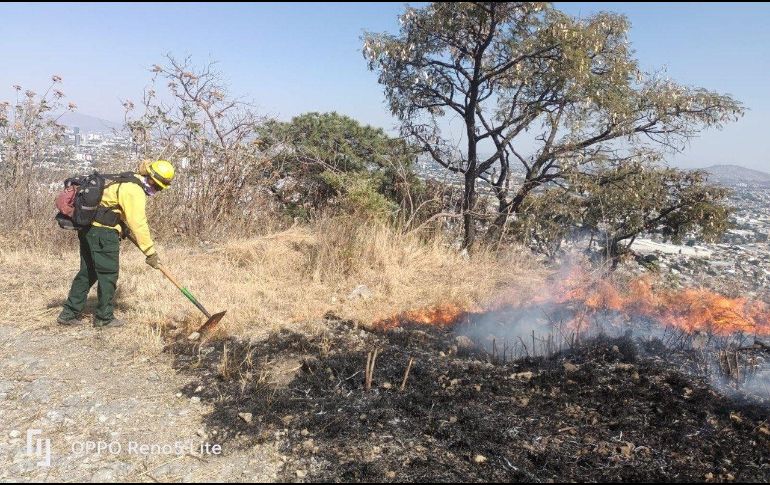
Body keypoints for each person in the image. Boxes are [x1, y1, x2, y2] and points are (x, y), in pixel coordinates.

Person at [57, 159, 175, 327]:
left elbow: (110, 205)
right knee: (108, 275)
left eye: (159, 188)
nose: (156, 190)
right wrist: (150, 252)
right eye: (155, 185)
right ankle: (104, 318)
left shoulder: (129, 179)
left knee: (88, 272)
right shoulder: (134, 190)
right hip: (103, 234)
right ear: (148, 177)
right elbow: (139, 223)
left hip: (89, 230)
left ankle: (68, 313)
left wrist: (121, 225)